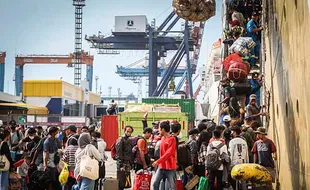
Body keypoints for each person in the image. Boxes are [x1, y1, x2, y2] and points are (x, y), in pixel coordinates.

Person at [152, 121, 177, 190]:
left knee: (172, 186)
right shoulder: (162, 138)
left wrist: (158, 161)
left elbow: (169, 153)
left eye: (159, 129)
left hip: (170, 167)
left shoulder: (172, 139)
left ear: (163, 129)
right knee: (155, 183)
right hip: (162, 166)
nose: (158, 130)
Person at [116, 126, 134, 190]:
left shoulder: (129, 140)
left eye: (130, 131)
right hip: (122, 164)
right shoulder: (121, 139)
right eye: (127, 131)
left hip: (128, 163)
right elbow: (118, 153)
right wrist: (120, 165)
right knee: (120, 182)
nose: (129, 133)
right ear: (125, 131)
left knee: (126, 183)